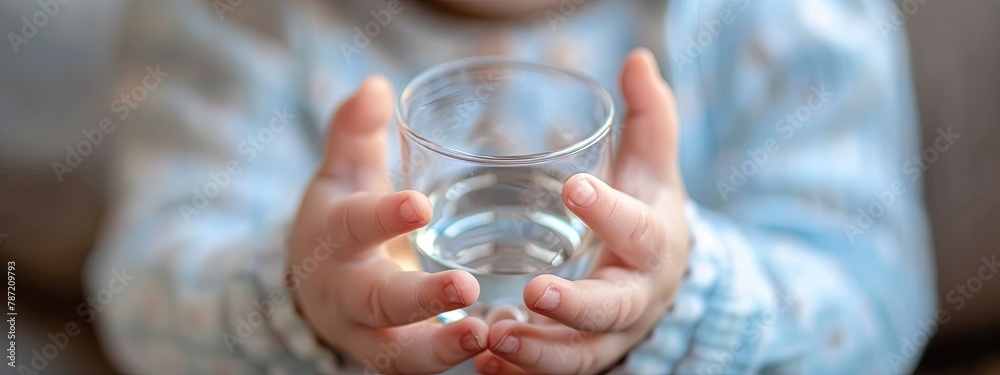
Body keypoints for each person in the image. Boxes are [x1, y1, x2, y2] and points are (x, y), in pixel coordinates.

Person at [86, 0, 935, 373]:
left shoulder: (788, 20)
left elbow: (876, 309)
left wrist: (683, 289)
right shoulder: (235, 20)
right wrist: (293, 295)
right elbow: (136, 294)